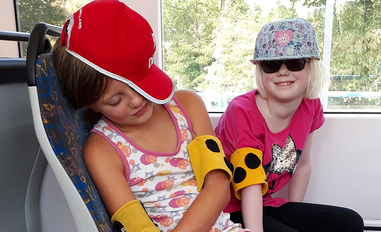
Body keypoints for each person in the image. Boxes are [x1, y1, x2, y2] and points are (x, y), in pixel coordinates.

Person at [51, 1, 251, 232]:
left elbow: (219, 185)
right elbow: (138, 226)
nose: (137, 101)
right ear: (90, 104)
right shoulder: (102, 151)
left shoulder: (188, 105)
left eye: (140, 83)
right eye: (116, 100)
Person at [214, 18, 364, 232]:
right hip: (227, 209)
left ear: (311, 66)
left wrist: (297, 216)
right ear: (261, 70)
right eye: (271, 64)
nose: (283, 71)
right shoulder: (242, 111)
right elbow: (250, 184)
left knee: (351, 222)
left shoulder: (311, 106)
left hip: (265, 203)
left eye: (295, 62)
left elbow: (302, 164)